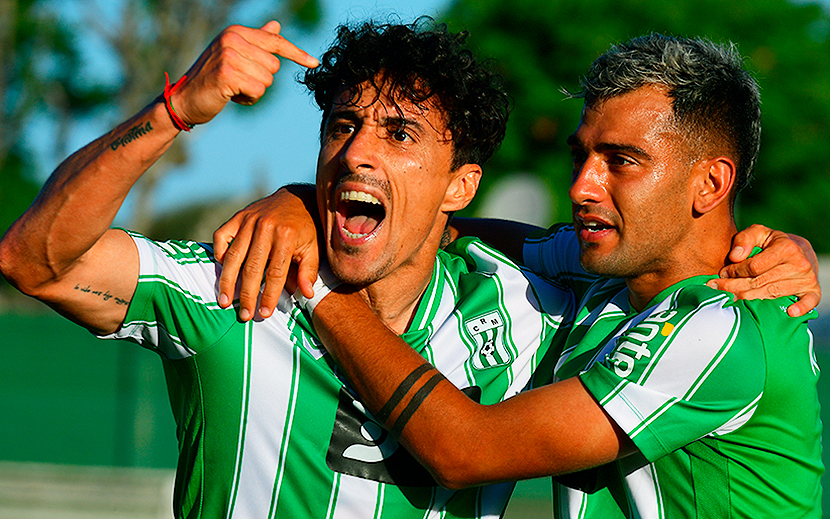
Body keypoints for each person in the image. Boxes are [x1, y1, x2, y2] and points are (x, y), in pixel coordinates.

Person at [0, 17, 594, 519]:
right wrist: (176, 108)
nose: (357, 152)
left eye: (400, 134)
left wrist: (295, 200)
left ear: (460, 187)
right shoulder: (237, 283)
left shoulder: (527, 312)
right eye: (343, 126)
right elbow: (35, 262)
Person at [214, 34, 823, 517]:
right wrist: (305, 201)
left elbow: (464, 450)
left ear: (711, 183)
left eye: (621, 162)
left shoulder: (724, 325)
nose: (582, 187)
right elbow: (461, 227)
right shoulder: (607, 276)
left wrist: (317, 282)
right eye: (581, 155)